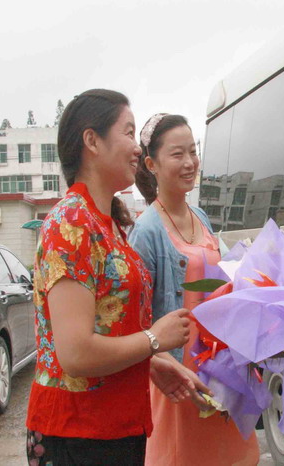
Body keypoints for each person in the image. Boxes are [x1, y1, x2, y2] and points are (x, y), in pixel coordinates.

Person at [25, 89, 195, 465]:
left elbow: (108, 329)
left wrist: (151, 363)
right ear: (92, 141)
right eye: (128, 132)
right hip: (77, 433)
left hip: (114, 426)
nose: (137, 147)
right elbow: (76, 353)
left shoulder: (108, 224)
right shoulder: (72, 223)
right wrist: (154, 339)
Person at [129, 113, 260, 466]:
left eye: (193, 151)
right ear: (152, 164)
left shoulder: (200, 216)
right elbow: (136, 322)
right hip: (178, 376)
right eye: (177, 154)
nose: (189, 163)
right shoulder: (146, 231)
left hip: (219, 368)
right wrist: (167, 367)